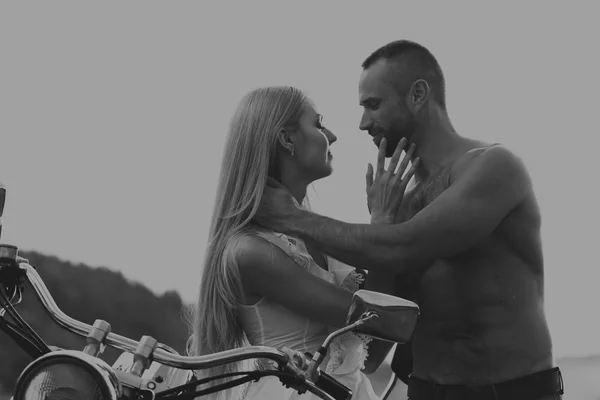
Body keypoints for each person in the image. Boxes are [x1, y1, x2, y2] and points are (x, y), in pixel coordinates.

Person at [254, 40, 564, 400]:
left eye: (373, 104)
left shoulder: (493, 167)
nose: (363, 123)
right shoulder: (400, 203)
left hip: (511, 393)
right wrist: (381, 223)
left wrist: (292, 217)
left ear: (417, 94)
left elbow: (405, 246)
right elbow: (378, 348)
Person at [186, 86, 416, 400]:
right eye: (319, 125)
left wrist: (391, 228)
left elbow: (372, 357)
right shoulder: (252, 251)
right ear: (288, 138)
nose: (332, 136)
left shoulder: (310, 237)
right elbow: (378, 321)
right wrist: (384, 227)